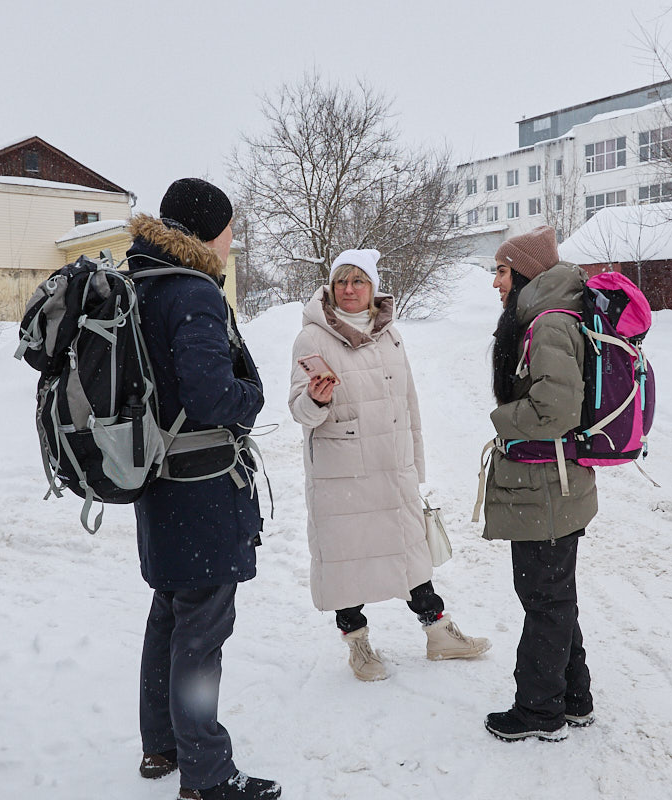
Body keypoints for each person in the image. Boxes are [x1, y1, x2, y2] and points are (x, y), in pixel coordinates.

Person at [125, 178, 280, 799]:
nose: (231, 240)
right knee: (202, 630)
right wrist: (254, 396)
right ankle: (207, 774)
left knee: (170, 611)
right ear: (207, 229)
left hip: (157, 480)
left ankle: (161, 745)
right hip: (200, 485)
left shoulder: (139, 281)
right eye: (228, 228)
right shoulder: (192, 291)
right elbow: (212, 396)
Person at [289, 248, 490, 682]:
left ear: (373, 287)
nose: (348, 289)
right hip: (341, 473)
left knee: (408, 552)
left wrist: (414, 464)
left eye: (358, 281)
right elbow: (300, 412)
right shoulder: (313, 338)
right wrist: (316, 400)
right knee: (346, 559)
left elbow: (408, 403)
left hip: (392, 466)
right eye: (341, 281)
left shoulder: (391, 335)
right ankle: (358, 643)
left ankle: (438, 633)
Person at [480, 225, 598, 743]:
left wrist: (502, 420)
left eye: (502, 271)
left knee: (544, 599)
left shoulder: (548, 324)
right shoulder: (548, 316)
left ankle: (539, 711)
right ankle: (573, 699)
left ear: (526, 274)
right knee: (554, 595)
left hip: (546, 485)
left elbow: (556, 408)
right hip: (552, 483)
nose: (497, 283)